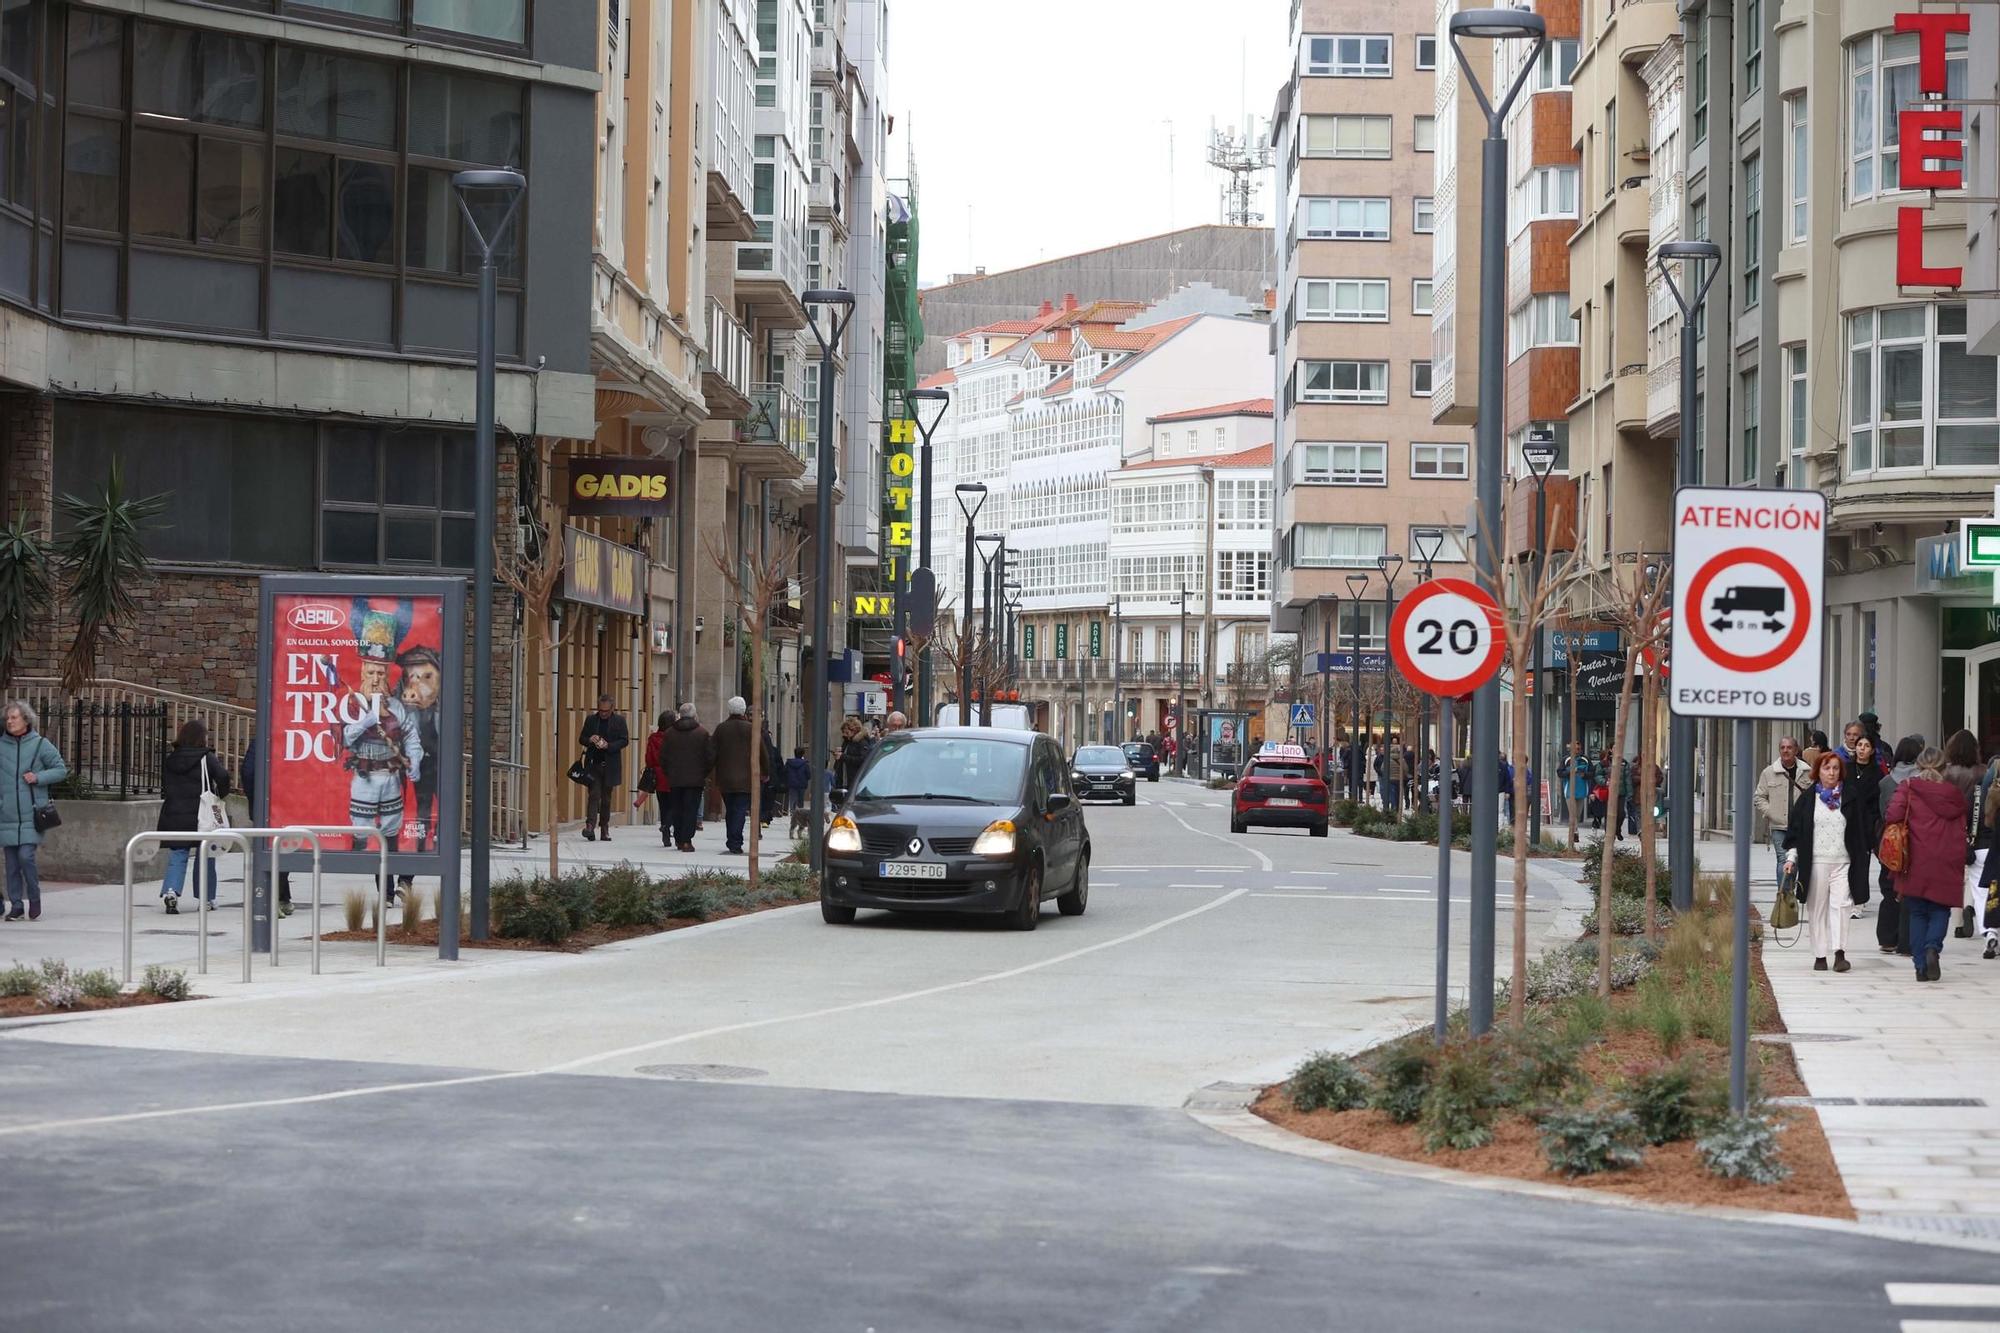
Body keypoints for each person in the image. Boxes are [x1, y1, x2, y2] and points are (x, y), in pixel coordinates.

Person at [1784, 750, 1875, 973]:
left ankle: (1839, 953)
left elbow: (1861, 829)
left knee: (1842, 906)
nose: (1831, 773)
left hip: (1844, 861)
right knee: (1817, 909)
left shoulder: (1851, 797)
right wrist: (1791, 858)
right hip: (1816, 863)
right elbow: (1797, 833)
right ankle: (1820, 955)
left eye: (1835, 768)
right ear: (1818, 771)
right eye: (1826, 768)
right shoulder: (1808, 799)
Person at [1885, 747, 1970, 982]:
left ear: (1919, 765)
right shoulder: (1954, 794)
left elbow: (1892, 815)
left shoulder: (1909, 788)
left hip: (1916, 857)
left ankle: (1920, 965)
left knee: (1918, 912)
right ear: (1944, 767)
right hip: (1947, 857)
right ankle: (1933, 947)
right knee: (1940, 909)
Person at [0, 701, 65, 921]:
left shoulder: (40, 744)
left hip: (32, 814)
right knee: (11, 865)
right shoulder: (1, 746)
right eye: (7, 718)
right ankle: (16, 906)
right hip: (6, 815)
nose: (9, 722)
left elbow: (60, 770)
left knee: (25, 857)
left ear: (26, 720)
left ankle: (34, 897)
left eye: (14, 717)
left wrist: (38, 777)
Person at [157, 719, 230, 915]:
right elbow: (223, 776)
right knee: (206, 854)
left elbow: (166, 784)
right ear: (201, 737)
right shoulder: (206, 757)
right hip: (201, 813)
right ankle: (206, 898)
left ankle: (171, 892)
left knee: (178, 853)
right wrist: (220, 795)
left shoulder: (171, 758)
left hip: (174, 812)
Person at [1879, 736, 1924, 956]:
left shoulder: (1886, 782)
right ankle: (1907, 941)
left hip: (1892, 840)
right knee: (1909, 890)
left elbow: (1883, 813)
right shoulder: (1922, 782)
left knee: (1889, 888)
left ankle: (1887, 938)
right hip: (1916, 840)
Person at [239, 739, 292, 918]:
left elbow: (248, 772)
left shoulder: (259, 741)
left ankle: (280, 897)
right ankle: (274, 898)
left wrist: (256, 801)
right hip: (285, 804)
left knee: (267, 850)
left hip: (264, 806)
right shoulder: (291, 738)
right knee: (282, 849)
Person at [1944, 729, 1985, 938]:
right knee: (1971, 870)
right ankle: (1970, 905)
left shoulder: (1946, 772)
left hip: (1951, 823)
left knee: (1955, 874)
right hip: (1974, 823)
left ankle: (1958, 922)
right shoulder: (1982, 771)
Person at [1754, 737, 1811, 887]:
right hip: (1779, 826)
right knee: (1783, 859)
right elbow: (1759, 797)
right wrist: (1770, 812)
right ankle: (1784, 894)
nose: (1786, 751)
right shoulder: (1768, 772)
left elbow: (1814, 796)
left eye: (1789, 747)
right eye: (1782, 748)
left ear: (1796, 750)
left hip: (1800, 826)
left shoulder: (1807, 772)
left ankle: (1790, 891)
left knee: (1795, 860)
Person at [658, 703, 711, 853]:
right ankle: (687, 840)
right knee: (691, 809)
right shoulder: (702, 733)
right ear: (694, 715)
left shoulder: (669, 733)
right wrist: (704, 773)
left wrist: (669, 772)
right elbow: (709, 756)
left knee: (677, 808)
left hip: (675, 779)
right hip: (695, 780)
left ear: (680, 715)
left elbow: (663, 756)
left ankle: (679, 839)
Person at [577, 693, 628, 842]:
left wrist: (609, 746)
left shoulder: (619, 721)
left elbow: (624, 740)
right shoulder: (591, 720)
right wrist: (590, 739)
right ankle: (590, 826)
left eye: (606, 711)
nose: (603, 713)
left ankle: (604, 827)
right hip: (593, 764)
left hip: (610, 765)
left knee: (606, 798)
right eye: (600, 710)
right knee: (594, 794)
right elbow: (582, 738)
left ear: (612, 708)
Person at [1845, 736, 1885, 922]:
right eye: (1859, 745)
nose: (1862, 748)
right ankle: (1846, 897)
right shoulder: (1846, 769)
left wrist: (1873, 822)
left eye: (1866, 746)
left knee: (1861, 863)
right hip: (1846, 821)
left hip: (1866, 824)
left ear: (1872, 750)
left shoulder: (1877, 773)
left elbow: (1878, 800)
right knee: (1845, 862)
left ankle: (1858, 902)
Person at [711, 696, 755, 855]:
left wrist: (710, 771)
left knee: (731, 809)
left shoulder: (721, 728)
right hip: (746, 778)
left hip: (725, 778)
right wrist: (765, 771)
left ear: (729, 710)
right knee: (740, 810)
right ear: (743, 711)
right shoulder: (751, 728)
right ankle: (735, 841)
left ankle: (732, 839)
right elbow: (761, 751)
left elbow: (712, 751)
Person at [642, 712, 674, 846]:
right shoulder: (673, 738)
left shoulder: (653, 738)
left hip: (658, 775)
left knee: (663, 805)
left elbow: (649, 758)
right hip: (672, 774)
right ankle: (667, 825)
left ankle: (665, 829)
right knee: (674, 805)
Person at [1558, 742, 1595, 844]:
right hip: (1569, 791)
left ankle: (1574, 829)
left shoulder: (1585, 759)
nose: (1577, 751)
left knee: (1577, 815)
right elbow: (1560, 773)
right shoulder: (1566, 760)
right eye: (1575, 749)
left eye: (1579, 749)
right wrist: (1570, 772)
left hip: (1581, 790)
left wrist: (1584, 775)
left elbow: (1592, 773)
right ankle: (1575, 832)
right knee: (1573, 813)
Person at [837, 716, 874, 790]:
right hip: (845, 779)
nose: (845, 735)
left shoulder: (861, 742)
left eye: (847, 732)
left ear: (854, 731)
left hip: (855, 779)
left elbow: (863, 759)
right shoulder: (847, 741)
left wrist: (843, 756)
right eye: (843, 732)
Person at [785, 746, 813, 837]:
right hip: (801, 784)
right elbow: (808, 775)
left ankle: (793, 814)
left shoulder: (789, 763)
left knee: (792, 799)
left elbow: (785, 772)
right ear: (803, 754)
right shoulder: (805, 764)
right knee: (800, 800)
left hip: (791, 783)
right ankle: (800, 814)